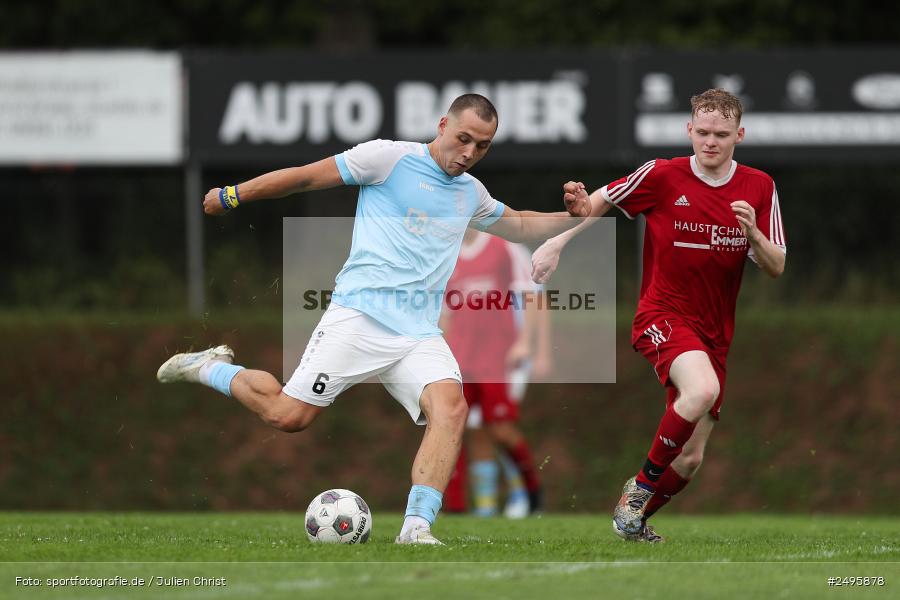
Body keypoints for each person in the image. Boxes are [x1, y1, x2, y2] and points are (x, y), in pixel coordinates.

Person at [156, 94, 589, 546]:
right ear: (442, 125)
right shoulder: (387, 158)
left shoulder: (470, 193)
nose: (469, 154)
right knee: (288, 417)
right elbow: (304, 178)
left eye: (482, 147)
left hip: (419, 333)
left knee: (451, 409)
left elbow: (518, 224)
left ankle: (416, 529)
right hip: (359, 318)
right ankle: (206, 366)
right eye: (463, 139)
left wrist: (573, 215)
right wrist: (234, 194)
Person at [532, 88, 786, 542]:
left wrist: (752, 234)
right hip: (662, 313)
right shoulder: (663, 175)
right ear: (689, 130)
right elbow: (602, 200)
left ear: (739, 135)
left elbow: (776, 266)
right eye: (702, 132)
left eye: (721, 134)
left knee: (690, 459)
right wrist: (557, 241)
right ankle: (640, 488)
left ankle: (634, 521)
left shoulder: (759, 187)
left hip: (714, 334)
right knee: (702, 389)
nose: (710, 142)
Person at [440, 228, 552, 518]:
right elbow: (444, 313)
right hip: (460, 357)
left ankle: (530, 492)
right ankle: (459, 507)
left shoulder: (506, 248)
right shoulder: (446, 254)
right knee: (456, 426)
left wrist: (530, 345)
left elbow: (533, 297)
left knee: (499, 428)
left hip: (499, 356)